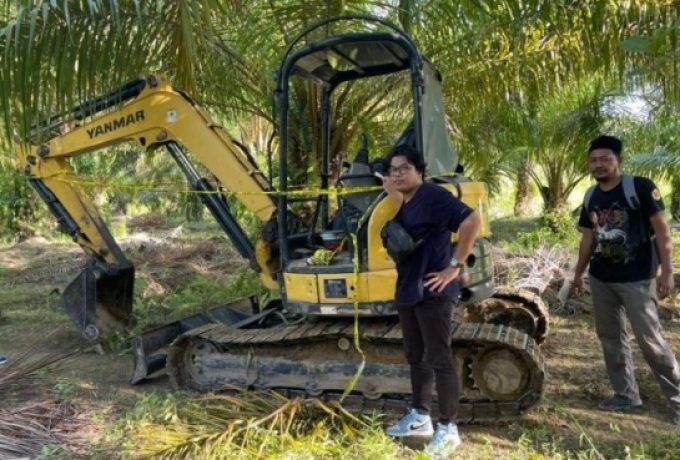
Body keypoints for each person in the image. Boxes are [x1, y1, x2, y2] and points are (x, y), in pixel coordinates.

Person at [571, 134, 680, 424]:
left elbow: (663, 230)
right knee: (610, 339)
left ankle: (677, 399)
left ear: (619, 160)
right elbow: (588, 238)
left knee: (651, 341)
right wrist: (578, 274)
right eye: (594, 160)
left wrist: (667, 271)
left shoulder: (640, 188)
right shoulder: (591, 196)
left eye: (605, 159)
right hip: (601, 279)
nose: (599, 165)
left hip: (637, 279)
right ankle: (626, 395)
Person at [380, 145, 480, 456]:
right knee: (416, 356)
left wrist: (454, 267)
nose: (398, 174)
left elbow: (472, 220)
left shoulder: (434, 195)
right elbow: (414, 216)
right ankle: (420, 417)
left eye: (404, 168)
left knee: (440, 358)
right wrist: (392, 190)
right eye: (393, 170)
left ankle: (449, 428)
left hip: (433, 292)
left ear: (420, 171)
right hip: (409, 290)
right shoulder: (409, 200)